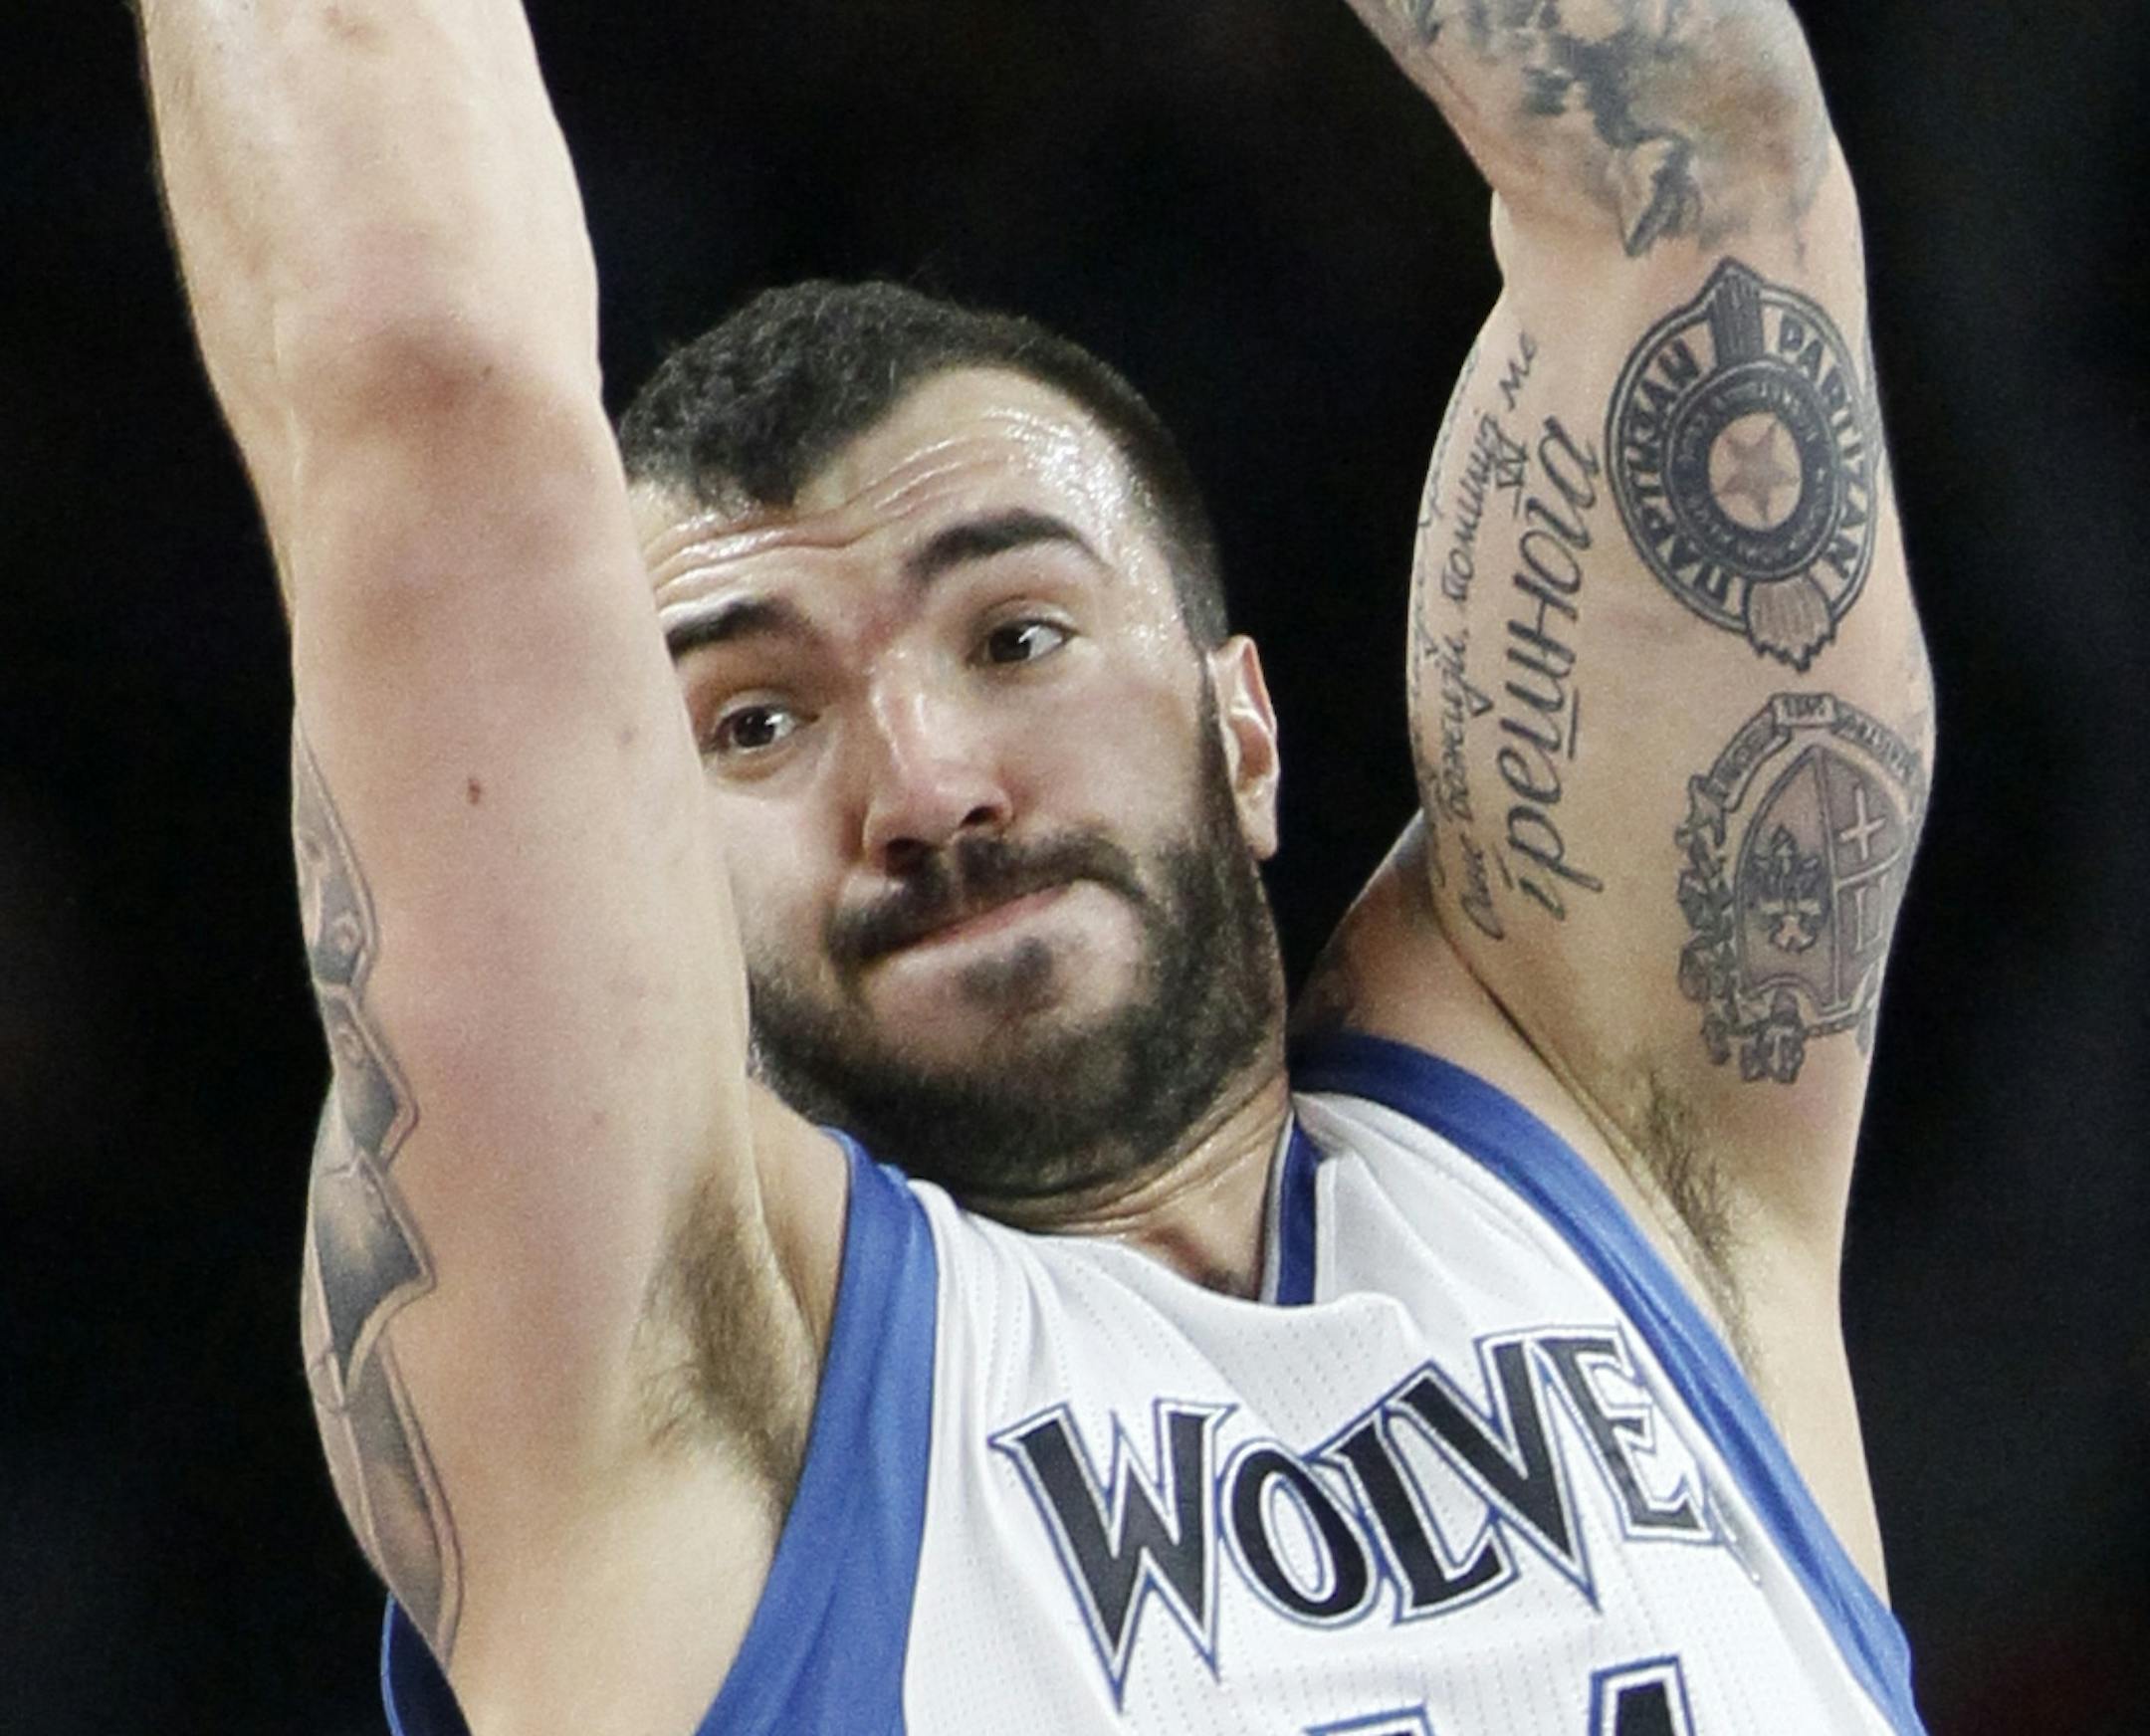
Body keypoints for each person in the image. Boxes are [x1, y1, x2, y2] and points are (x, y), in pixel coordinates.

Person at [140, 0, 1934, 1730]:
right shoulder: (667, 1406)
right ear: (640, 888)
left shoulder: (1598, 1125)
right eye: (756, 724)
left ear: (1243, 730)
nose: (925, 788)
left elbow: (1693, 148)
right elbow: (422, 383)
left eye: (1015, 638)